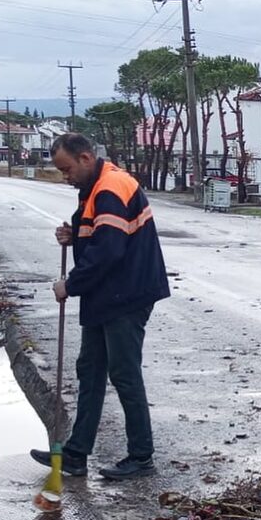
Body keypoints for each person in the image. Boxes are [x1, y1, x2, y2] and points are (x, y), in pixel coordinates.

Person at [29, 133, 170, 480]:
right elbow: (100, 233)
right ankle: (76, 453)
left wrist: (70, 285)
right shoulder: (94, 189)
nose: (65, 177)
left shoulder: (110, 187)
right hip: (107, 294)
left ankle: (141, 456)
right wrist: (75, 234)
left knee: (123, 372)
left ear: (86, 157)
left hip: (127, 293)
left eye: (67, 169)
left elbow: (109, 250)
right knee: (90, 369)